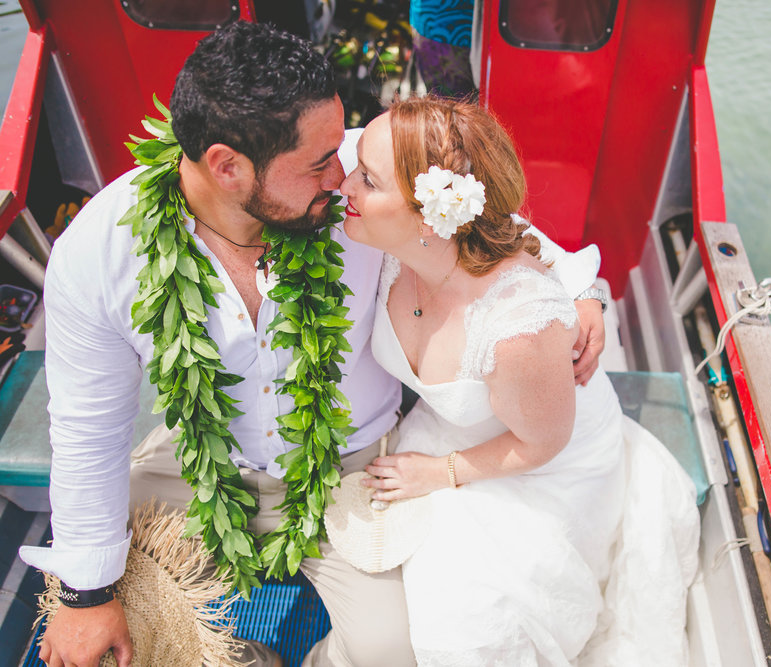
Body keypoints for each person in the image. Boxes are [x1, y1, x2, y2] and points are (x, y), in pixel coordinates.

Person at [19, 22, 608, 667]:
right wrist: (86, 595)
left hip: (352, 468)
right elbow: (86, 432)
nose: (342, 173)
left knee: (394, 654)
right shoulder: (102, 252)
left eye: (343, 150)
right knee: (96, 633)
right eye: (320, 163)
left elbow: (465, 218)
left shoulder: (362, 187)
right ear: (228, 167)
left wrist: (578, 289)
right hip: (197, 468)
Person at [338, 96, 700, 665]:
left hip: (540, 460)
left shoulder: (515, 325)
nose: (344, 185)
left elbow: (542, 442)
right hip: (464, 424)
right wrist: (587, 289)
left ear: (432, 214)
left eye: (367, 180)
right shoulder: (392, 239)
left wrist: (440, 473)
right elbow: (526, 234)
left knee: (463, 629)